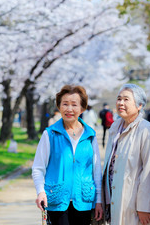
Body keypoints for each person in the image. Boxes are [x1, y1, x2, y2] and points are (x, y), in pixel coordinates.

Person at [32, 85, 103, 225]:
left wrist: (99, 200)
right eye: (65, 104)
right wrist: (40, 191)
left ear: (82, 108)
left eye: (74, 105)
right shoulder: (50, 134)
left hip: (84, 200)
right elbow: (38, 168)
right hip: (57, 200)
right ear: (59, 107)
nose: (69, 109)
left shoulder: (90, 135)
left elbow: (96, 171)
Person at [102, 84, 150, 225]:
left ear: (139, 105)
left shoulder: (146, 130)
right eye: (119, 99)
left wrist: (144, 207)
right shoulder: (115, 126)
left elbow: (149, 171)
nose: (121, 103)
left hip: (132, 202)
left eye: (126, 99)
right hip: (113, 197)